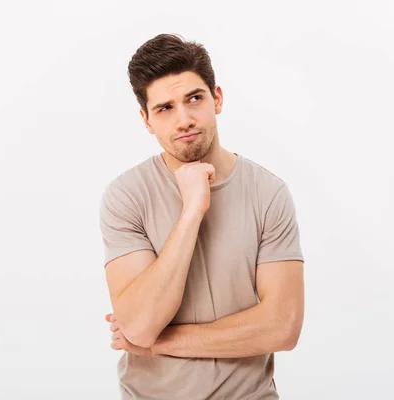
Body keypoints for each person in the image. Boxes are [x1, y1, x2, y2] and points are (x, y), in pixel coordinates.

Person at [99, 33, 305, 399]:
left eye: (194, 99)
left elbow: (282, 327)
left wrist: (158, 344)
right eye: (165, 108)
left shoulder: (269, 193)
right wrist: (192, 210)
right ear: (147, 121)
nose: (184, 120)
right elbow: (141, 325)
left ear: (217, 99)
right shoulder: (126, 195)